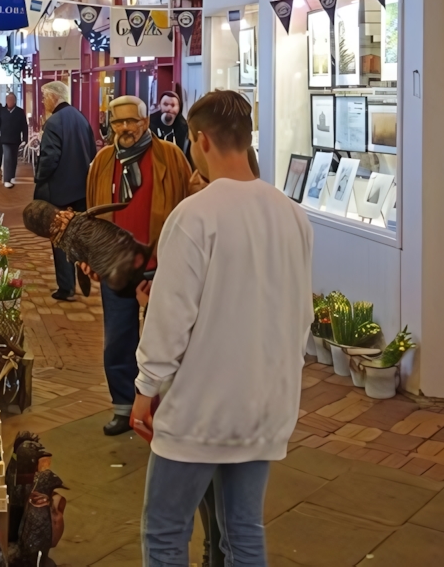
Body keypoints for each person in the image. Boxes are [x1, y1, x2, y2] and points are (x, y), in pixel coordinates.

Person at [132, 90, 313, 567]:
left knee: (167, 534)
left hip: (200, 407)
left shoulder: (195, 216)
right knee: (242, 533)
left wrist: (146, 388)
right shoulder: (293, 215)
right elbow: (301, 316)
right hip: (265, 403)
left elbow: (171, 318)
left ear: (201, 140)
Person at [86, 95, 191, 436]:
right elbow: (92, 215)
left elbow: (190, 206)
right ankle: (123, 407)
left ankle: (166, 406)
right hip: (116, 267)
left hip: (162, 267)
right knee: (118, 339)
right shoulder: (102, 162)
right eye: (119, 122)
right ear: (111, 125)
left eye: (133, 121)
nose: (126, 128)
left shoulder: (170, 157)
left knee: (165, 340)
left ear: (146, 122)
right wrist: (91, 257)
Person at [33, 80, 98, 301]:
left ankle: (66, 287)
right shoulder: (81, 118)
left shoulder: (54, 123)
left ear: (54, 96)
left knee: (59, 237)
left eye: (44, 97)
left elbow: (49, 158)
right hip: (81, 190)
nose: (43, 102)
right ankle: (82, 268)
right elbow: (91, 152)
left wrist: (39, 178)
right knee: (76, 235)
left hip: (59, 191)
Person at [0, 92, 28, 188]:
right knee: (7, 158)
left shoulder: (20, 112)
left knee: (13, 159)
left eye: (11, 100)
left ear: (15, 101)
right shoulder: (1, 111)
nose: (9, 101)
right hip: (4, 139)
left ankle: (12, 176)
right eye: (8, 100)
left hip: (16, 139)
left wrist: (25, 138)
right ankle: (6, 179)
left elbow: (24, 126)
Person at [150, 91, 191, 160]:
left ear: (179, 108)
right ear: (159, 105)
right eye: (165, 104)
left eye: (173, 105)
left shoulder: (186, 130)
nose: (169, 109)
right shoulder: (149, 126)